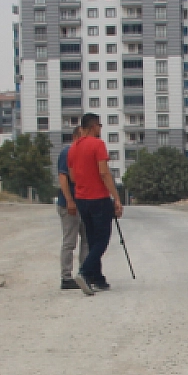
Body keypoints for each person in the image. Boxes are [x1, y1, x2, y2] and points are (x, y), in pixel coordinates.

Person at [67, 113, 122, 293]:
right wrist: (117, 197)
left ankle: (97, 278)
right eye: (99, 125)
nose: (100, 129)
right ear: (93, 127)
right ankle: (84, 271)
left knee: (91, 239)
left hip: (82, 198)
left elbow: (73, 176)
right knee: (102, 239)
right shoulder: (98, 144)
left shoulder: (73, 148)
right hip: (98, 197)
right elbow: (104, 173)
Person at [56, 124, 91, 293]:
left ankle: (83, 273)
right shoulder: (67, 152)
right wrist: (69, 200)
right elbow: (62, 178)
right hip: (69, 204)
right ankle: (66, 277)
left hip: (83, 203)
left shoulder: (82, 154)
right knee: (70, 241)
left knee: (87, 240)